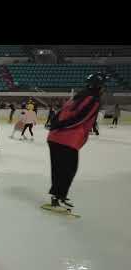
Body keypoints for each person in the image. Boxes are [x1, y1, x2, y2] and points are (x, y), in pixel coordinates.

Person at [46, 72, 106, 210]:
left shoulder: (78, 96)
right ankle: (58, 198)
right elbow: (80, 118)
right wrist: (60, 126)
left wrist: (54, 126)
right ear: (99, 87)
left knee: (59, 169)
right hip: (67, 138)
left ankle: (56, 198)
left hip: (55, 137)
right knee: (68, 170)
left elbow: (60, 113)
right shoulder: (93, 100)